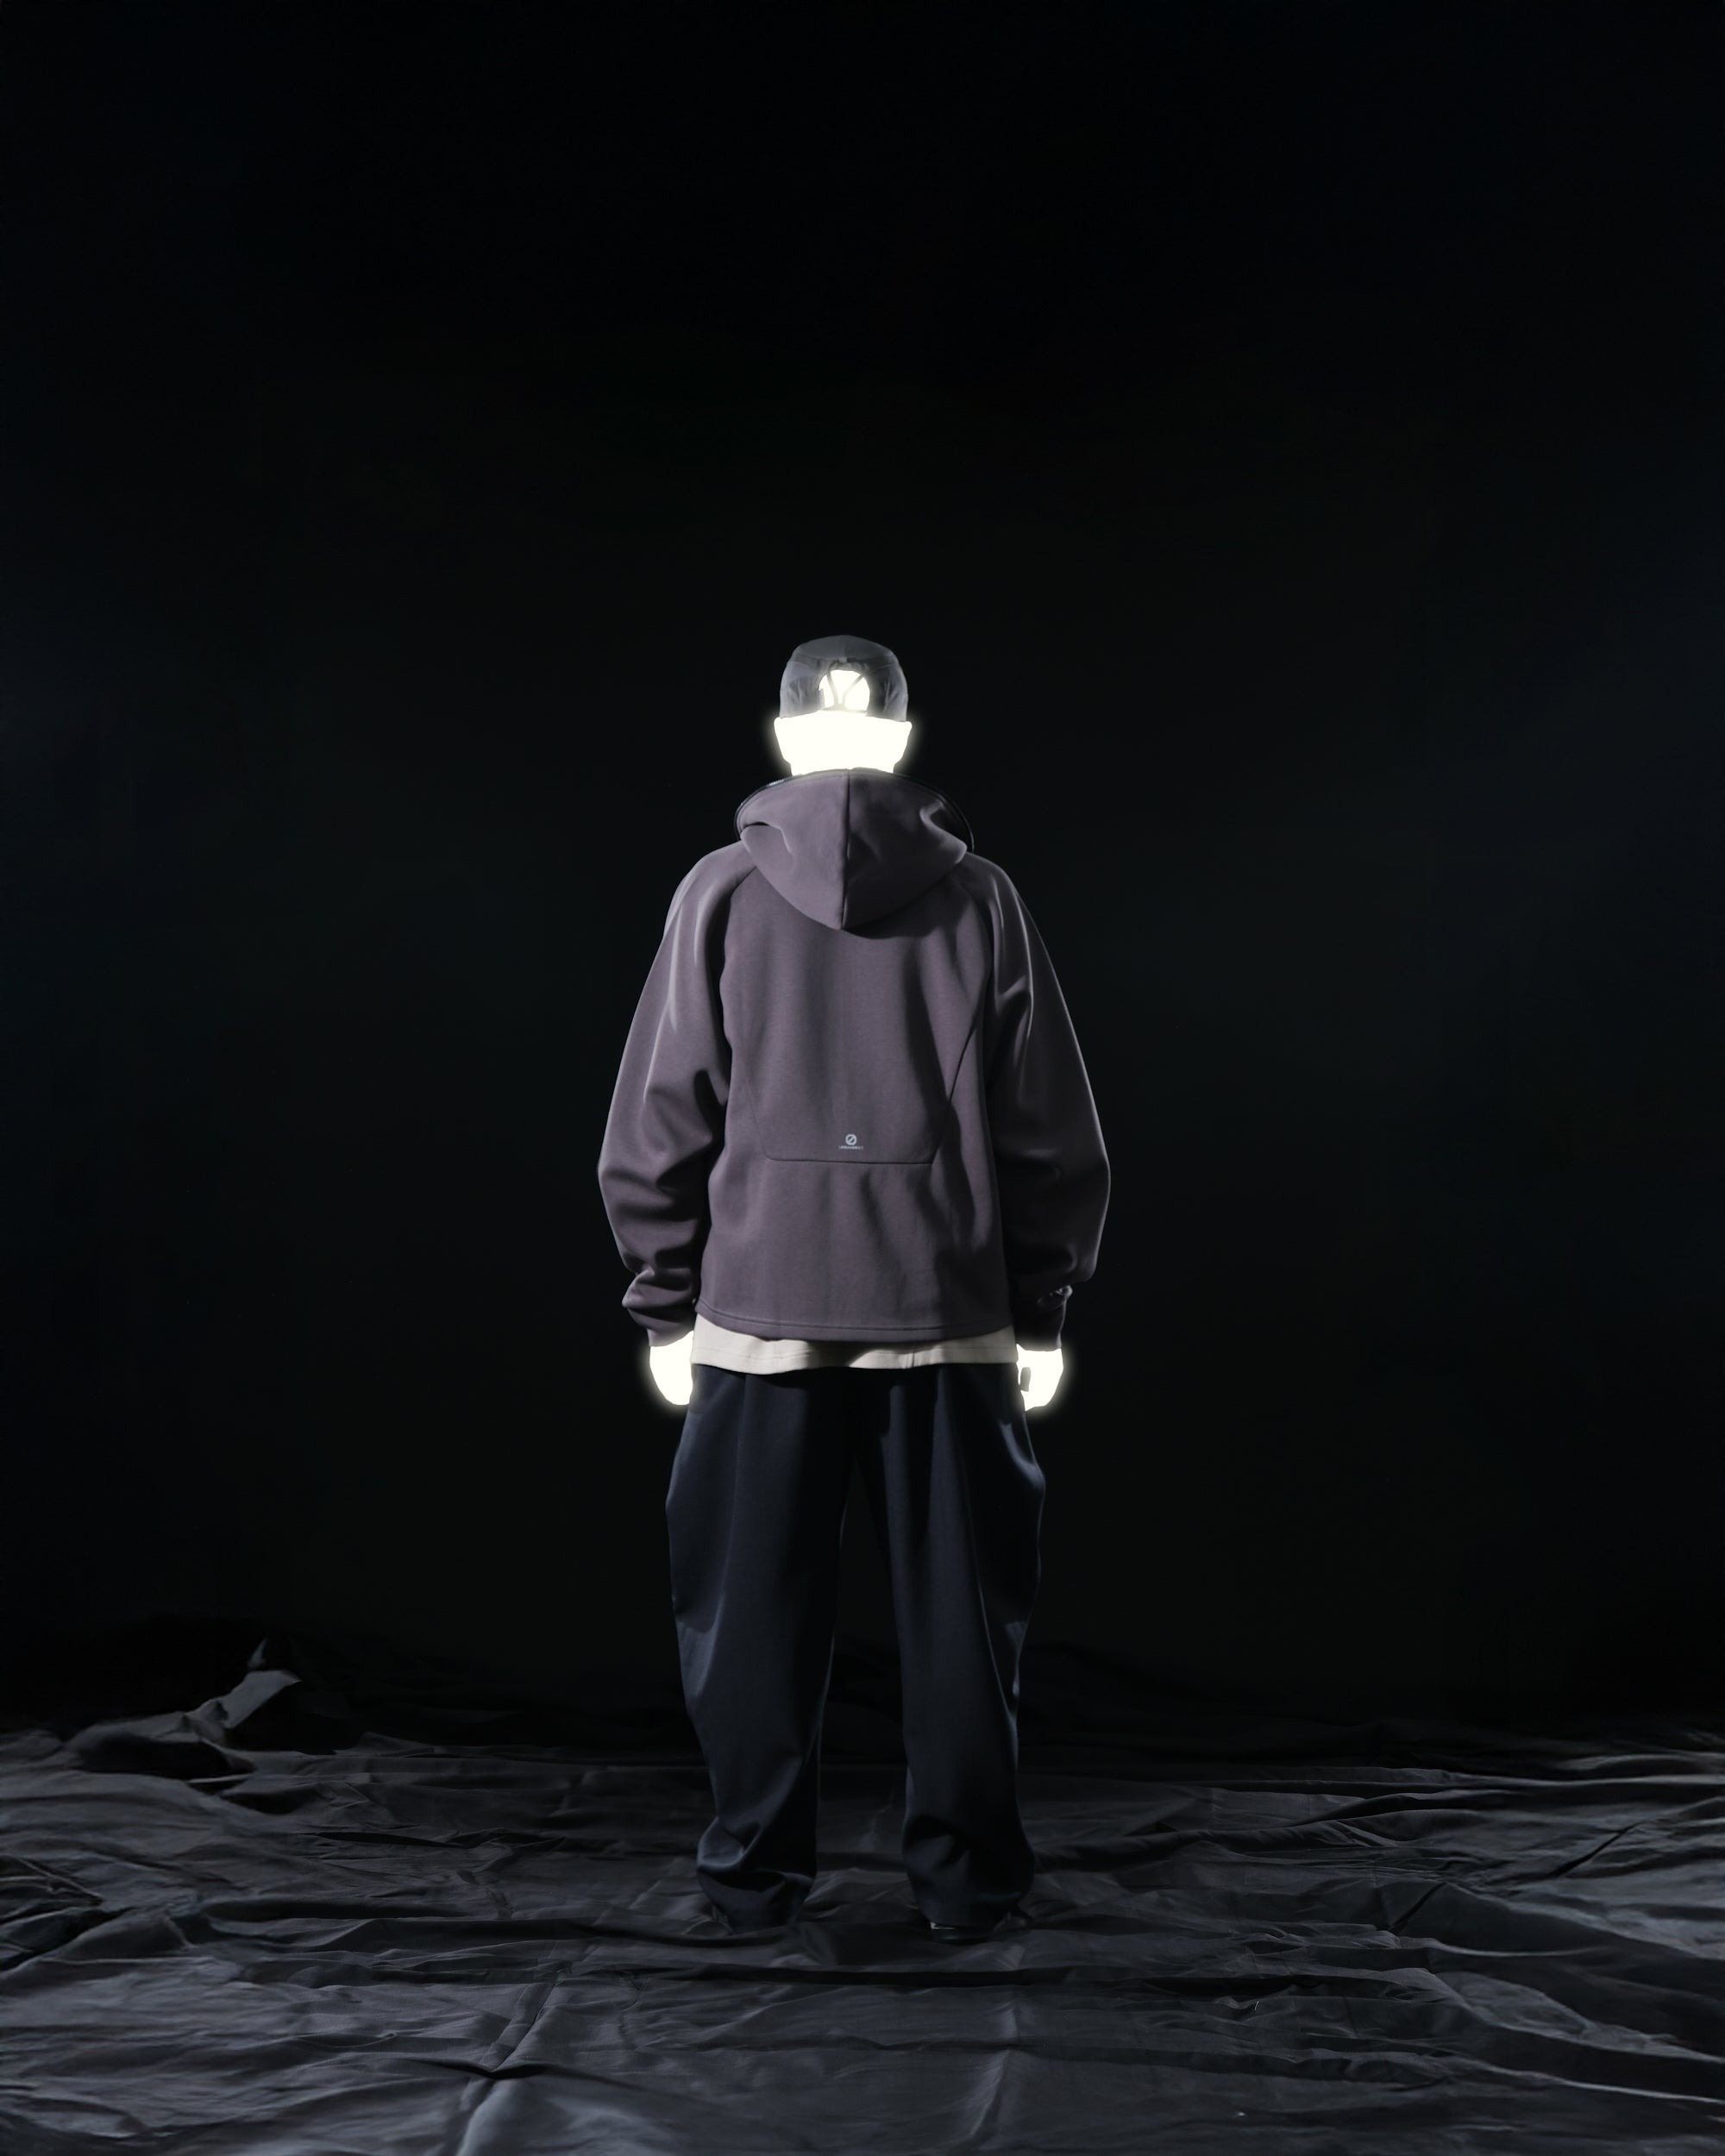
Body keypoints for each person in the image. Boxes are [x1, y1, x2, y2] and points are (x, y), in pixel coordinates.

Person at [596, 633, 1110, 1940]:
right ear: (900, 738)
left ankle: (751, 1882)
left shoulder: (717, 889)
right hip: (950, 1308)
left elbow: (660, 1115)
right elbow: (1048, 1127)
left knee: (747, 1617)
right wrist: (1043, 1306)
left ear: (782, 739)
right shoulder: (982, 897)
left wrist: (663, 1299)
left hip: (755, 1309)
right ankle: (969, 1889)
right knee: (963, 1626)